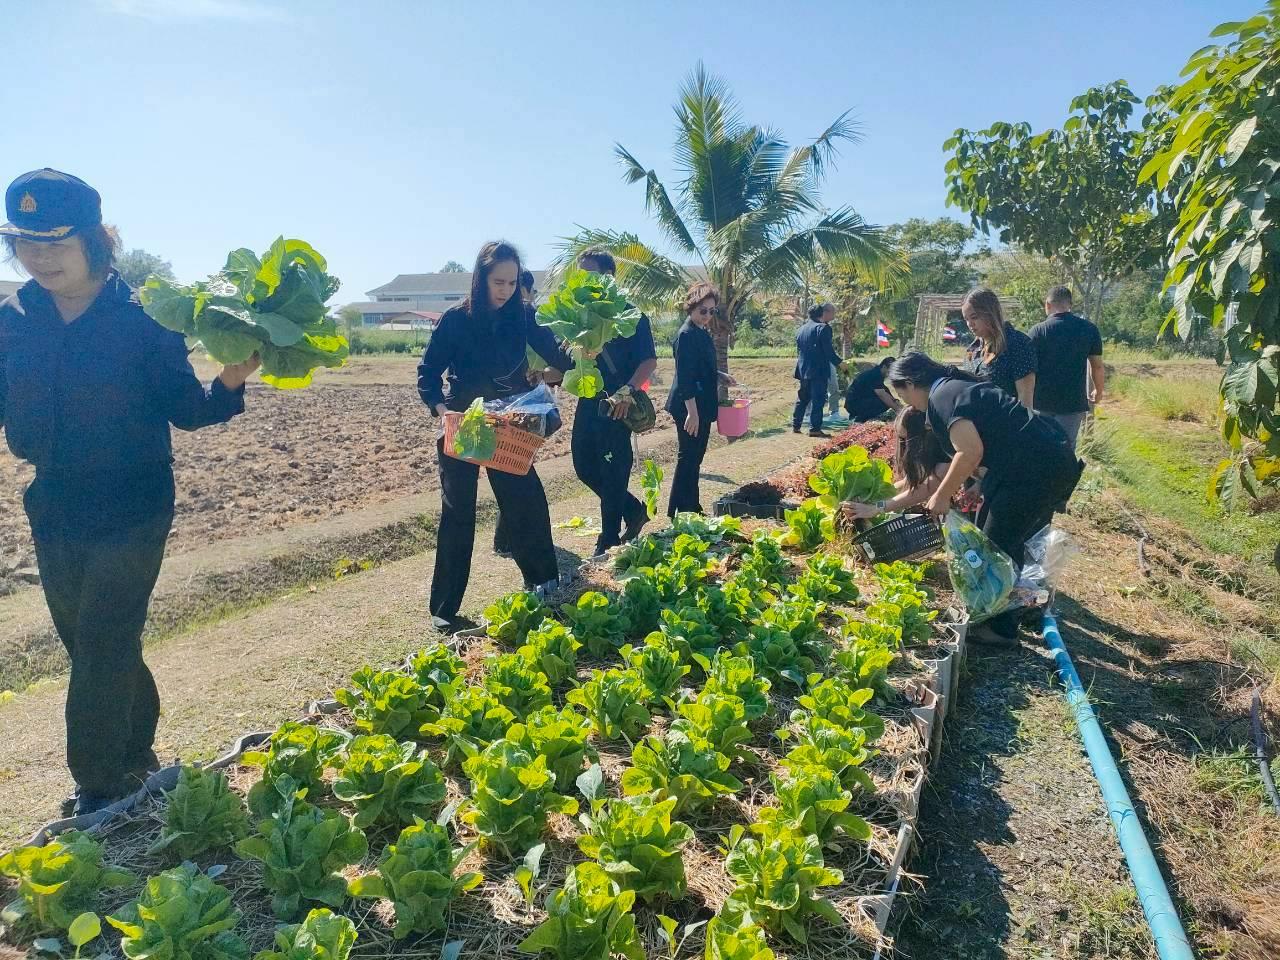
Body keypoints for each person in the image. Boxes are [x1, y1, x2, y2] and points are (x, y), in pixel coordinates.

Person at [0, 169, 259, 816]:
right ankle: (136, 746)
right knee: (92, 641)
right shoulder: (12, 319)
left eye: (56, 242)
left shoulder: (145, 317)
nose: (39, 257)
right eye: (24, 242)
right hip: (54, 500)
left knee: (104, 637)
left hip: (134, 501)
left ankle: (99, 785)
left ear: (96, 240)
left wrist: (228, 382)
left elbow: (187, 409)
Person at [845, 352, 1083, 648]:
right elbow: (992, 441)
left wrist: (943, 496)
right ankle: (996, 614)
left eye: (901, 394)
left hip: (1036, 470)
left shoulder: (942, 397)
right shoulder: (949, 390)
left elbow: (969, 452)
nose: (905, 403)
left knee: (998, 545)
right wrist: (979, 485)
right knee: (988, 538)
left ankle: (1002, 630)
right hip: (1030, 465)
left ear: (909, 383)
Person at [418, 241, 573, 630]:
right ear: (480, 278)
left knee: (526, 500)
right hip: (464, 423)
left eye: (512, 282)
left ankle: (544, 584)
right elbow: (428, 371)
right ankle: (445, 608)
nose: (505, 290)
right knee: (458, 513)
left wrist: (574, 355)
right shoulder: (456, 320)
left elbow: (560, 357)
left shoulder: (523, 316)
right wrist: (442, 410)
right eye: (498, 282)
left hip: (509, 421)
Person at [571, 249, 658, 555]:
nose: (583, 280)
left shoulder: (631, 314)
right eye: (580, 274)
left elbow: (648, 361)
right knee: (583, 466)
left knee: (613, 470)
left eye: (590, 274)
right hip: (587, 400)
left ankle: (608, 539)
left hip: (617, 404)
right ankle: (633, 509)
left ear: (608, 277)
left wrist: (628, 390)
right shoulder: (579, 317)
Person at [666, 282, 735, 515]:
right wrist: (692, 413)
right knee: (688, 457)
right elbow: (686, 377)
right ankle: (681, 510)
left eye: (711, 311)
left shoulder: (700, 332)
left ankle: (690, 506)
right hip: (689, 405)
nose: (707, 315)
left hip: (700, 403)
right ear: (691, 308)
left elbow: (700, 369)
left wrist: (719, 375)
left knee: (695, 457)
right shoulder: (686, 334)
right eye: (702, 310)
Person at [492, 268, 541, 560]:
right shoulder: (507, 318)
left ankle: (506, 539)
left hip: (530, 402)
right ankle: (505, 539)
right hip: (509, 404)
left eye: (516, 287)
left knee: (516, 465)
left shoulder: (532, 317)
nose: (510, 293)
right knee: (512, 465)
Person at [1029, 285, 1104, 449]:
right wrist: (1098, 390)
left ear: (1047, 305)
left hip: (1041, 402)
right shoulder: (1089, 329)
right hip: (1073, 402)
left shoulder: (1037, 331)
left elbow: (1029, 370)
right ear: (1070, 304)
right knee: (1067, 448)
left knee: (1041, 447)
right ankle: (1066, 474)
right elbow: (1097, 366)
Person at [961, 287, 1037, 407]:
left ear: (990, 313)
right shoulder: (973, 349)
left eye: (974, 317)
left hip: (1007, 422)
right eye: (966, 319)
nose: (970, 324)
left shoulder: (1017, 343)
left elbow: (1025, 399)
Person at [793, 302, 844, 437]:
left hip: (803, 368)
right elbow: (828, 352)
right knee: (818, 399)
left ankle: (796, 425)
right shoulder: (823, 328)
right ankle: (815, 428)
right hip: (818, 369)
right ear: (822, 313)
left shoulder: (801, 329)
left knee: (802, 398)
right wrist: (840, 363)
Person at [844, 356, 903, 422]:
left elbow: (885, 390)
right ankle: (859, 419)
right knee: (884, 403)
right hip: (853, 404)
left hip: (858, 401)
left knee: (887, 401)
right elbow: (882, 395)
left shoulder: (877, 373)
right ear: (884, 367)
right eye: (890, 371)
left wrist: (895, 401)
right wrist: (898, 411)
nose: (890, 374)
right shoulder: (875, 374)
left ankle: (860, 416)